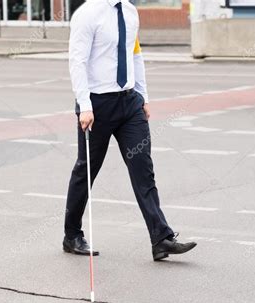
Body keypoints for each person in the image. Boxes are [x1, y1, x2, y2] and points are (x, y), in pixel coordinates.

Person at [63, 0, 197, 261]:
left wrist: (143, 96)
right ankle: (72, 235)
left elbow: (135, 55)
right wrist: (85, 105)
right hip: (97, 104)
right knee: (86, 170)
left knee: (143, 170)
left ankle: (161, 238)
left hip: (130, 103)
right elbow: (77, 62)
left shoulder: (131, 12)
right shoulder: (88, 14)